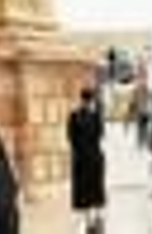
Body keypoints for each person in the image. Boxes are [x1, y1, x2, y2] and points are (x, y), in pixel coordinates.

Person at [67, 86, 107, 234]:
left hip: (81, 159)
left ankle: (89, 220)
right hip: (94, 157)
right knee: (96, 189)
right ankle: (96, 218)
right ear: (91, 100)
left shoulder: (73, 116)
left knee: (84, 191)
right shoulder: (96, 116)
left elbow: (70, 137)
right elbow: (100, 134)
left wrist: (79, 149)